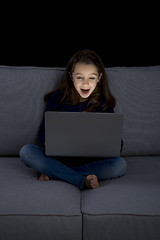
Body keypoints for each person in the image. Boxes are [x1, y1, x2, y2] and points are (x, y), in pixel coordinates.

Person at [19, 49, 127, 189]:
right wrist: (48, 142)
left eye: (91, 78)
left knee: (120, 165)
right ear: (71, 76)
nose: (85, 84)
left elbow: (114, 139)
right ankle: (81, 180)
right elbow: (43, 132)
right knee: (26, 151)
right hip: (58, 160)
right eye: (80, 77)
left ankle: (55, 174)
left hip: (90, 163)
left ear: (99, 78)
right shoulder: (57, 97)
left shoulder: (103, 102)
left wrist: (117, 145)